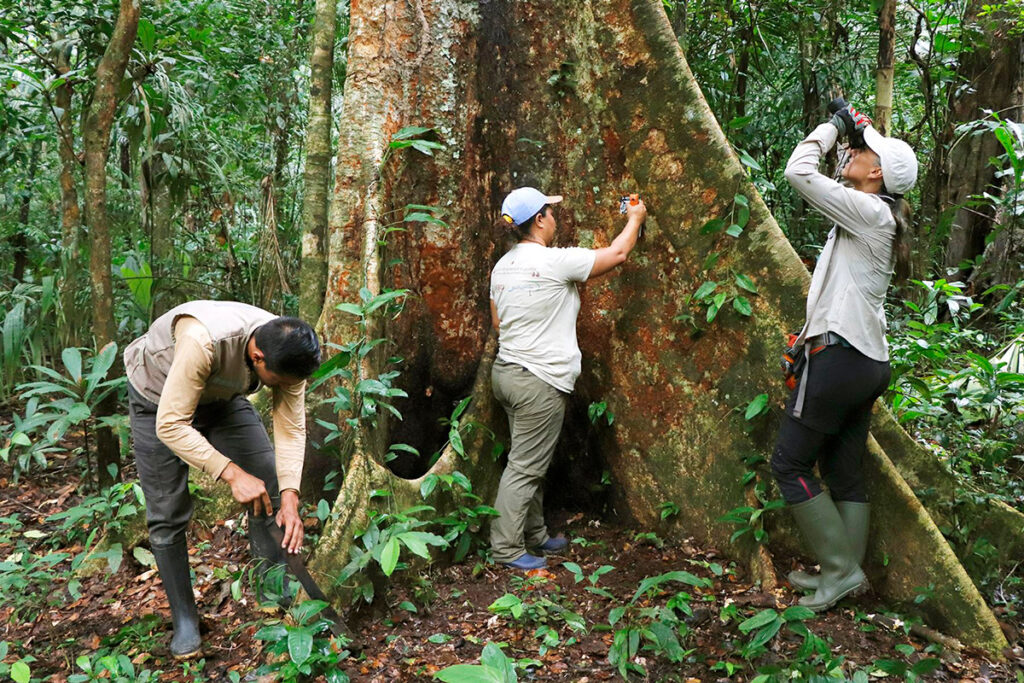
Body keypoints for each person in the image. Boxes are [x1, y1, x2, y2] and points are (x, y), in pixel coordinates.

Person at [770, 103, 917, 611]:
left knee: (790, 464)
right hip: (867, 362)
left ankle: (838, 572)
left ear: (877, 172)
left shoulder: (870, 210)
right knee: (845, 471)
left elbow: (797, 171)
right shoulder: (875, 212)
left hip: (841, 359)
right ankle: (845, 574)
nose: (854, 149)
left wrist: (833, 128)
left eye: (863, 149)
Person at [124, 301, 321, 658]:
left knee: (269, 478)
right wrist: (231, 473)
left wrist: (290, 496)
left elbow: (291, 427)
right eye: (277, 383)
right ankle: (185, 619)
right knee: (167, 513)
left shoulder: (288, 354)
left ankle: (273, 595)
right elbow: (171, 425)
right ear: (258, 357)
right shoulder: (203, 340)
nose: (283, 388)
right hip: (157, 402)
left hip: (221, 401)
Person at [488, 187, 647, 570]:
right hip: (537, 382)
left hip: (507, 373)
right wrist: (635, 219)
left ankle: (536, 533)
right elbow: (618, 254)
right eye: (551, 211)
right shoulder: (554, 262)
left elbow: (498, 323)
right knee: (525, 467)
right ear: (539, 219)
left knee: (530, 458)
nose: (555, 218)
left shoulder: (501, 267)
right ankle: (506, 549)